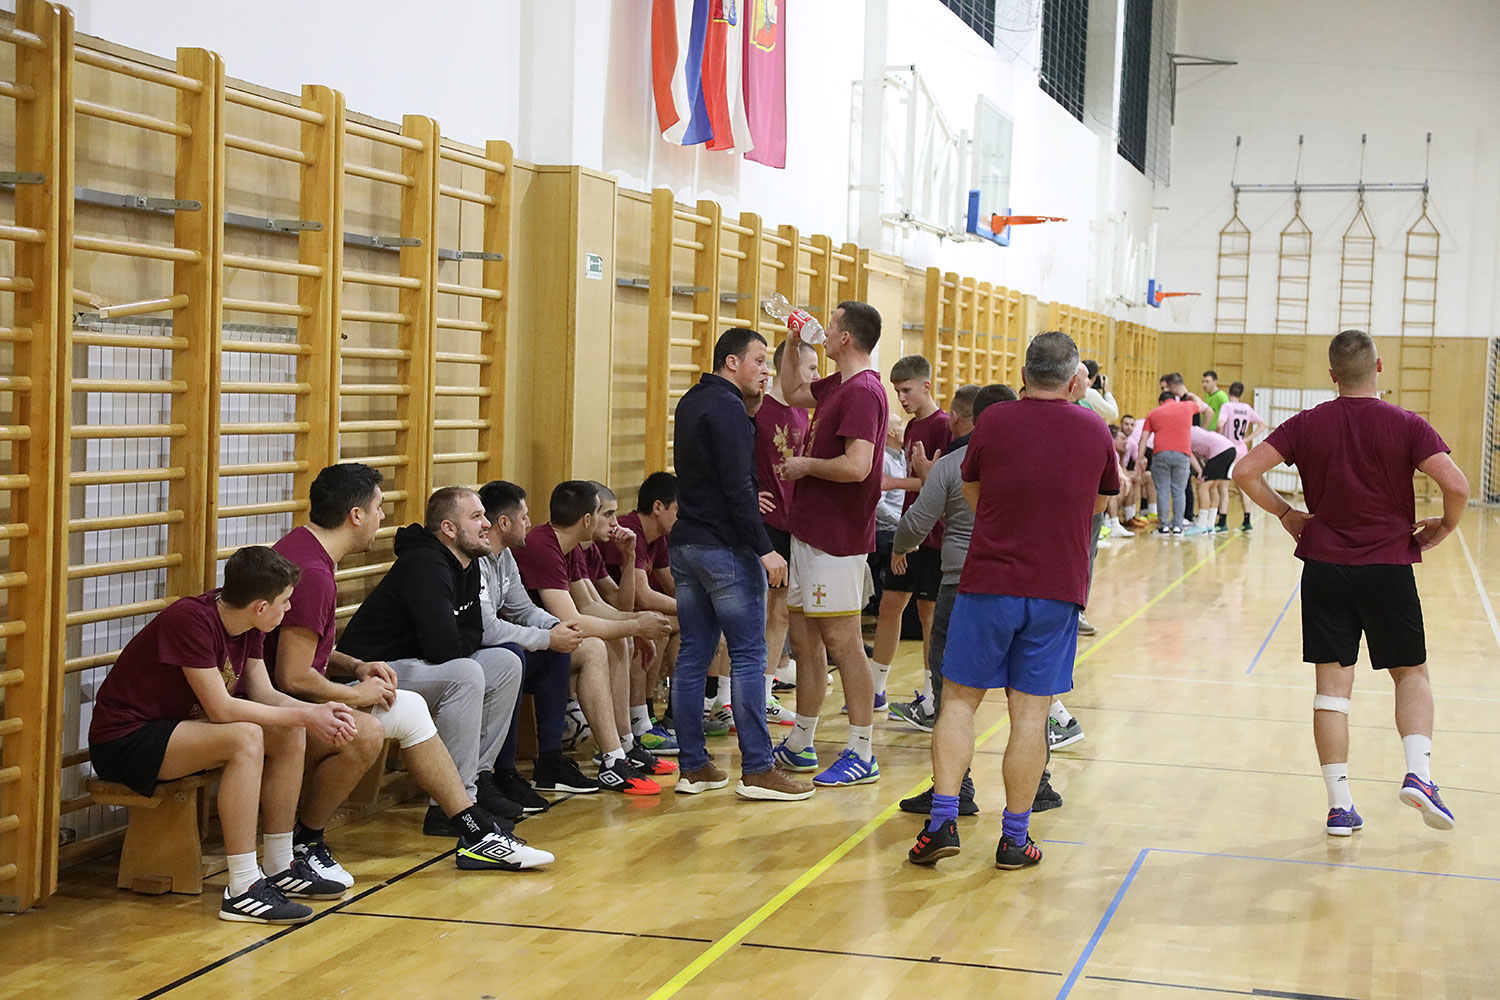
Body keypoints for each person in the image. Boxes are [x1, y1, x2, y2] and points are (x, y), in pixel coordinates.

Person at [1234, 329, 1467, 837]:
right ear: (1378, 367)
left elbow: (1245, 471)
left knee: (1332, 691)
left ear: (1332, 374)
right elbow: (1456, 484)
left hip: (1325, 569)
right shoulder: (1406, 424)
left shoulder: (1307, 423)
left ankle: (1340, 806)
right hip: (1388, 567)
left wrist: (1286, 513)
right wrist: (1445, 527)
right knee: (1411, 673)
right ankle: (1420, 775)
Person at [268, 464, 552, 877]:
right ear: (356, 515)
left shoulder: (307, 551)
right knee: (375, 725)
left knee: (414, 706)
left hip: (298, 692)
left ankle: (473, 830)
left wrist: (355, 664)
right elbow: (292, 676)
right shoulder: (314, 573)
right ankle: (308, 841)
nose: (383, 517)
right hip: (277, 706)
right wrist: (355, 692)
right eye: (379, 508)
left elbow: (309, 653)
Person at [907, 332, 1118, 870]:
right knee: (1030, 715)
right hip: (1057, 590)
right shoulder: (1094, 428)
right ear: (1074, 380)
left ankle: (942, 822)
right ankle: (1015, 839)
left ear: (1023, 375)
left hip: (987, 584)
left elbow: (972, 491)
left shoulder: (995, 421)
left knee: (958, 703)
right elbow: (1099, 502)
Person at [87, 547, 359, 923]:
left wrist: (314, 712)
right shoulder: (190, 620)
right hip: (126, 740)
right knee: (244, 738)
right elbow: (222, 710)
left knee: (288, 730)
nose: (289, 609)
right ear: (260, 607)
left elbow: (263, 693)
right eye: (285, 601)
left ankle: (280, 865)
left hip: (176, 730)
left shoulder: (249, 624)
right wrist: (305, 714)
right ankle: (243, 887)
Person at [669, 327, 814, 800]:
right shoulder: (728, 408)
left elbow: (714, 476)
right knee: (749, 656)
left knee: (693, 655)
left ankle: (693, 766)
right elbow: (737, 487)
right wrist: (764, 547)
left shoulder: (693, 401)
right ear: (732, 362)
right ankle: (758, 768)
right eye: (759, 361)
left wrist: (751, 414)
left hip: (686, 544)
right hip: (725, 548)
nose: (767, 371)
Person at [335, 487, 525, 817]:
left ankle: (478, 780)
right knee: (465, 673)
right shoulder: (425, 563)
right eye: (477, 517)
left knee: (506, 661)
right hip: (370, 675)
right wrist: (460, 640)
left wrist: (460, 639)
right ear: (449, 529)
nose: (487, 524)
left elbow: (474, 632)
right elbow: (445, 650)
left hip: (415, 665)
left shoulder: (468, 562)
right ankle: (452, 808)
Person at [772, 300, 888, 787]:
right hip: (810, 533)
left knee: (843, 642)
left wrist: (806, 466)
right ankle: (802, 741)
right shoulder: (838, 384)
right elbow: (792, 390)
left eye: (832, 323)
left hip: (837, 540)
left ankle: (862, 751)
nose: (825, 327)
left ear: (845, 338)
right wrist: (792, 340)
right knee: (805, 640)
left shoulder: (863, 391)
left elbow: (857, 466)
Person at [512, 480, 673, 794]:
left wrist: (634, 622)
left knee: (617, 638)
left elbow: (592, 606)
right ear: (587, 519)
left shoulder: (569, 546)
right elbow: (573, 621)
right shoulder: (543, 546)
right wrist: (636, 625)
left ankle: (624, 745)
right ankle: (612, 758)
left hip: (546, 639)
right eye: (607, 514)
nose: (614, 523)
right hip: (524, 644)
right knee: (595, 647)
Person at [474, 480, 592, 813]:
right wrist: (546, 637)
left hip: (497, 651)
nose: (529, 522)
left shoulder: (505, 556)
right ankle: (503, 773)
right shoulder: (476, 560)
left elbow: (523, 609)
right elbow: (487, 629)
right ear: (504, 523)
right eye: (524, 517)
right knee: (513, 656)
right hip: (470, 655)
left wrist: (554, 627)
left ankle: (550, 761)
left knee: (555, 649)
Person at [889, 383, 975, 729]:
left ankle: (935, 712)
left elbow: (918, 520)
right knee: (1023, 680)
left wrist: (899, 545)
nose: (902, 398)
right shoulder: (1025, 460)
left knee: (949, 678)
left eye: (905, 390)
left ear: (956, 418)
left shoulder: (954, 461)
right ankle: (1057, 719)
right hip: (1016, 581)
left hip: (958, 572)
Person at [870, 355, 952, 717]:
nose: (901, 398)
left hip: (934, 535)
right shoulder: (914, 427)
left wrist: (892, 483)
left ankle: (932, 696)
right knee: (890, 606)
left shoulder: (943, 426)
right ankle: (876, 690)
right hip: (910, 529)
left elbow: (938, 484)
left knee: (928, 614)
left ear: (926, 386)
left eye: (906, 390)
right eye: (897, 391)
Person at [755, 337, 818, 726]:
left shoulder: (802, 412)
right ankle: (731, 694)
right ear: (790, 366)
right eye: (810, 368)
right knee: (757, 609)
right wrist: (749, 495)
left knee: (780, 611)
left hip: (794, 522)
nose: (816, 376)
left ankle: (764, 692)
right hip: (764, 524)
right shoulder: (758, 408)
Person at [1140, 388, 1211, 535]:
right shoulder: (1186, 407)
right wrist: (1191, 395)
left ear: (1161, 402)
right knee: (1179, 491)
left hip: (1160, 454)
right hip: (1182, 454)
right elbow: (1200, 405)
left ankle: (1164, 526)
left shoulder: (1153, 413)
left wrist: (1140, 458)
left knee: (1163, 490)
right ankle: (1178, 526)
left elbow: (1143, 439)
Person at [1217, 382, 1267, 532]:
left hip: (1228, 449)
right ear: (1241, 394)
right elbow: (1263, 424)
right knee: (1242, 487)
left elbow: (1220, 424)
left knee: (1223, 487)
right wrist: (1248, 439)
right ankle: (1247, 521)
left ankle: (1222, 522)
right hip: (1242, 449)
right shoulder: (1246, 408)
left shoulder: (1227, 407)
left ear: (1229, 392)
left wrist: (1218, 438)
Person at [1188, 424, 1239, 535]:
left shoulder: (1184, 434)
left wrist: (1200, 472)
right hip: (1230, 449)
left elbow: (1190, 455)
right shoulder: (1193, 431)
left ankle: (1202, 525)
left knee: (1203, 487)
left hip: (1221, 451)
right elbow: (1197, 457)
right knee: (1213, 486)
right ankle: (1210, 525)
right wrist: (1203, 470)